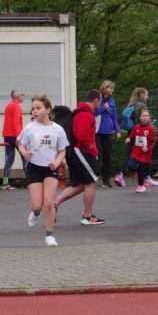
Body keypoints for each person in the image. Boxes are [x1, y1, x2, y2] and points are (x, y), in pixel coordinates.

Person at [17, 94, 69, 246]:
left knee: (49, 203)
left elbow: (62, 150)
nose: (35, 111)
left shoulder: (57, 129)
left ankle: (49, 236)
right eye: (33, 108)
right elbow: (20, 143)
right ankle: (35, 213)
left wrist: (57, 162)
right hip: (34, 168)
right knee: (37, 206)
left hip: (50, 169)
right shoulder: (30, 128)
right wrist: (24, 152)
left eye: (38, 108)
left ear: (48, 110)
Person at [53, 89, 104, 225]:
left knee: (81, 184)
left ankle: (54, 203)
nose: (100, 103)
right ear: (96, 100)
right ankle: (87, 216)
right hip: (79, 151)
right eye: (100, 100)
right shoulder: (86, 114)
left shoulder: (82, 112)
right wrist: (93, 150)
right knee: (91, 181)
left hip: (76, 151)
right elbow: (82, 136)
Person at [123, 110, 158, 191]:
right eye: (143, 116)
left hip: (145, 154)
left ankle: (141, 185)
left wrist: (147, 148)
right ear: (140, 118)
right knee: (130, 165)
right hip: (136, 152)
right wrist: (128, 138)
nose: (145, 117)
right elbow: (132, 135)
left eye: (146, 116)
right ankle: (143, 177)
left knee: (141, 170)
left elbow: (153, 142)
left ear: (149, 118)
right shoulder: (136, 127)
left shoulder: (151, 129)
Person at [96, 80, 120, 187]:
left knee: (107, 156)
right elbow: (92, 112)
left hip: (107, 131)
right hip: (97, 131)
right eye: (111, 88)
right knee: (97, 154)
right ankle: (94, 176)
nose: (112, 90)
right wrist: (102, 108)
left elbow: (114, 116)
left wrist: (117, 130)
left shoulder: (112, 101)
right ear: (105, 87)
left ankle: (106, 180)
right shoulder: (97, 99)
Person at [0, 89, 24, 190]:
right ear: (18, 96)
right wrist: (19, 137)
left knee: (9, 160)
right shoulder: (17, 106)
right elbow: (16, 122)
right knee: (25, 157)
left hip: (7, 135)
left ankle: (5, 183)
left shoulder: (8, 106)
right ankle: (32, 181)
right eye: (22, 94)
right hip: (15, 136)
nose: (23, 96)